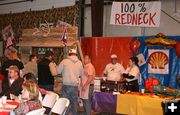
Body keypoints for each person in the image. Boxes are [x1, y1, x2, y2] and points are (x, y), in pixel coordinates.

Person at [57, 49, 83, 115]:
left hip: (66, 85)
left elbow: (58, 71)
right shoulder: (79, 62)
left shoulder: (64, 61)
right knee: (74, 103)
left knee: (65, 103)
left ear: (69, 54)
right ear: (76, 54)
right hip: (75, 86)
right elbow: (81, 74)